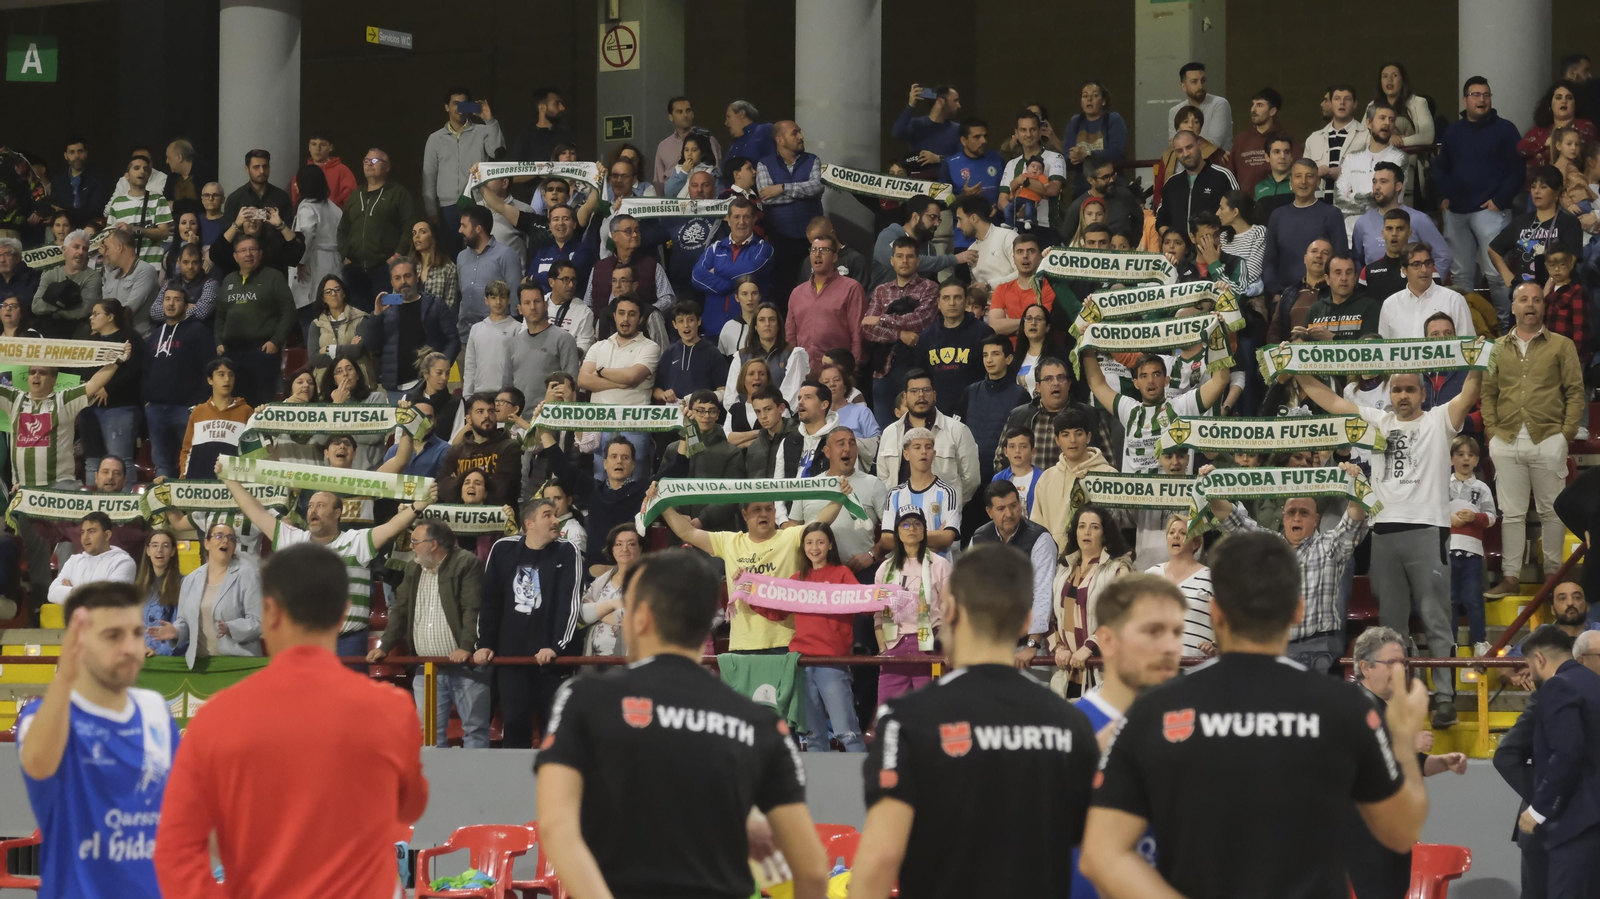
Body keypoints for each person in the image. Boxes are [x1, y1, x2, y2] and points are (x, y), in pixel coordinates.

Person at [1081, 530, 1429, 897]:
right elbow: (1401, 832)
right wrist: (1404, 742)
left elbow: (1101, 854)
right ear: (1298, 609)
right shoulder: (1346, 708)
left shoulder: (1155, 711)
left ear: (1215, 612)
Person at [536, 547, 828, 899]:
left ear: (641, 617)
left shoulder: (585, 698)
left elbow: (555, 826)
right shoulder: (760, 723)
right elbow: (811, 873)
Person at [154, 543, 427, 896]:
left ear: (269, 611)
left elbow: (174, 850)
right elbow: (411, 806)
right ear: (344, 613)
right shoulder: (392, 710)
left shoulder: (216, 718)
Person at [851, 543, 1097, 899]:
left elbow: (880, 858)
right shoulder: (1071, 724)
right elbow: (1092, 851)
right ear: (1027, 620)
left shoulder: (907, 719)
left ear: (948, 611)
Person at [1296, 366, 1481, 725]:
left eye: (1410, 389)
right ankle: (1398, 698)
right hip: (1382, 533)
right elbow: (1332, 401)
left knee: (1436, 618)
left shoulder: (1440, 420)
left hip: (1428, 529)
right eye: (1397, 390)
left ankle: (1444, 698)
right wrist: (1295, 371)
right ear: (1389, 393)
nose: (1403, 396)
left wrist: (1477, 361)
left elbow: (1470, 392)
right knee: (1392, 626)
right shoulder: (1377, 420)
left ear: (1423, 393)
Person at [18, 582, 180, 899]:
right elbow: (38, 763)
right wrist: (65, 677)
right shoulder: (44, 717)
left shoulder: (155, 710)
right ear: (77, 642)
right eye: (113, 636)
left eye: (136, 633)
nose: (131, 648)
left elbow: (189, 814)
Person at [225, 471, 434, 660]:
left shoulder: (357, 541)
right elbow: (256, 512)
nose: (313, 510)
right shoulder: (293, 541)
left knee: (346, 703)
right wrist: (228, 478)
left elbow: (392, 527)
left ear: (337, 513)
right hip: (305, 642)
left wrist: (419, 505)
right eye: (311, 506)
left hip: (347, 643)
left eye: (321, 505)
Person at [651, 479, 851, 654]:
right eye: (757, 509)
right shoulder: (729, 541)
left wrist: (840, 497)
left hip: (786, 642)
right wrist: (661, 504)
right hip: (743, 644)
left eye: (768, 508)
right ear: (745, 515)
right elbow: (687, 533)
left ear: (774, 511)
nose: (763, 514)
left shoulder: (791, 537)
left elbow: (821, 522)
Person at [1344, 626, 1470, 899]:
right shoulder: (1349, 705)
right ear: (1365, 667)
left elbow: (1416, 763)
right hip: (1363, 836)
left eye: (1403, 662)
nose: (1400, 670)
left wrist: (1442, 762)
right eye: (1391, 663)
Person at [1481, 281, 1586, 598]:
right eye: (1523, 299)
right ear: (1512, 306)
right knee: (1511, 513)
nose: (1530, 304)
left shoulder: (1562, 345)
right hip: (1506, 438)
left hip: (1548, 438)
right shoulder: (1497, 347)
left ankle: (1554, 575)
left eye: (1536, 299)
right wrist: (1491, 432)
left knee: (1552, 511)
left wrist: (1565, 435)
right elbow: (1488, 392)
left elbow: (1575, 392)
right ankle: (1511, 577)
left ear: (1544, 306)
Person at [472, 497, 582, 748]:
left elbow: (570, 603)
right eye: (548, 515)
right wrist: (485, 643)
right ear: (529, 523)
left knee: (554, 732)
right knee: (514, 726)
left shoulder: (568, 550)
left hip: (553, 662)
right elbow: (489, 601)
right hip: (511, 661)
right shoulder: (502, 549)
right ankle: (514, 785)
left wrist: (556, 646)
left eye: (556, 515)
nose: (556, 520)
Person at [369, 518, 489, 748]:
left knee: (475, 730)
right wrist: (384, 646)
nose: (411, 546)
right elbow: (401, 609)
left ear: (433, 544)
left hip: (466, 667)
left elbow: (472, 609)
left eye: (415, 541)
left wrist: (465, 647)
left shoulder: (467, 563)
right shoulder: (413, 567)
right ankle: (434, 785)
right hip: (426, 668)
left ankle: (476, 783)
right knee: (428, 736)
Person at [1435, 77, 1523, 328]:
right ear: (1465, 100)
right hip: (1457, 213)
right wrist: (1443, 197)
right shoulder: (1453, 131)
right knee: (1461, 276)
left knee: (1496, 274)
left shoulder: (1505, 129)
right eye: (1475, 94)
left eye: (1486, 94)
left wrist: (1501, 199)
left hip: (1491, 211)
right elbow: (1441, 168)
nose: (1481, 99)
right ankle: (1465, 329)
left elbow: (1517, 169)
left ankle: (1505, 329)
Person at [1518, 624, 1600, 895]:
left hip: (1575, 826)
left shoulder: (1558, 686)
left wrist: (1538, 809)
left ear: (1539, 659)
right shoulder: (1594, 683)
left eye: (1529, 665)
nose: (1530, 673)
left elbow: (1567, 752)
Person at [784, 521, 866, 752]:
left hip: (832, 663)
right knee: (812, 736)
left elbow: (865, 603)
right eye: (809, 542)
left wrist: (885, 596)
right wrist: (747, 586)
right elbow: (774, 609)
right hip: (801, 663)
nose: (814, 547)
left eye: (820, 542)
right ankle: (821, 788)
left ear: (830, 545)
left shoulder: (842, 573)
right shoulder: (796, 579)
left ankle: (864, 787)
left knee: (847, 732)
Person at [146, 520, 263, 668]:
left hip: (238, 663)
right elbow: (184, 621)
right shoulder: (191, 579)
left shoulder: (247, 575)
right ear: (207, 543)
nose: (226, 540)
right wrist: (175, 631)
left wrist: (231, 628)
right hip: (201, 664)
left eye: (231, 538)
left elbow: (259, 621)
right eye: (219, 536)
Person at [969, 479, 1056, 665]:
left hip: (1030, 644)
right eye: (1001, 509)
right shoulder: (978, 538)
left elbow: (1043, 595)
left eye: (1013, 506)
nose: (1009, 514)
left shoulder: (1040, 539)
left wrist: (1032, 646)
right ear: (989, 512)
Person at [875, 371, 981, 507]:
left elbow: (971, 480)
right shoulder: (890, 432)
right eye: (914, 391)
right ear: (905, 397)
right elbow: (883, 477)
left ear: (934, 395)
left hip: (942, 519)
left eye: (926, 390)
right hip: (900, 515)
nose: (921, 395)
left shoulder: (957, 430)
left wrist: (951, 505)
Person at [212, 234, 295, 405]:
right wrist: (219, 341)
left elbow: (288, 311)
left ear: (260, 253)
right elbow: (220, 315)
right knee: (233, 403)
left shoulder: (273, 277)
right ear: (235, 256)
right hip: (232, 354)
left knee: (261, 404)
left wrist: (276, 341)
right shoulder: (229, 280)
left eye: (252, 249)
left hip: (262, 352)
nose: (248, 254)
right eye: (242, 250)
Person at [337, 148, 422, 307]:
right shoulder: (356, 195)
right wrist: (345, 256)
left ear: (387, 167)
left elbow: (409, 226)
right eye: (366, 161)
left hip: (385, 268)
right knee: (359, 313)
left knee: (390, 307)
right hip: (355, 269)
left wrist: (396, 256)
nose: (370, 164)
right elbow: (343, 229)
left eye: (375, 161)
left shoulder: (398, 193)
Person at [1261, 158, 1349, 297]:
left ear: (1318, 182)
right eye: (1298, 176)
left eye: (1309, 176)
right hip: (1284, 296)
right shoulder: (1277, 216)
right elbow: (1269, 260)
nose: (1303, 181)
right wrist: (1275, 293)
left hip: (1323, 297)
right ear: (1291, 181)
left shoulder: (1332, 214)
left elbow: (1340, 258)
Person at [756, 120, 824, 296]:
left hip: (811, 240)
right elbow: (767, 199)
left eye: (799, 132)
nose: (801, 136)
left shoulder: (812, 159)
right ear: (780, 140)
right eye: (795, 133)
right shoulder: (764, 164)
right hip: (781, 241)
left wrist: (782, 188)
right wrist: (802, 192)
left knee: (814, 287)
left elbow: (816, 188)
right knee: (783, 290)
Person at [1489, 164, 1583, 291]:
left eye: (1543, 187)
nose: (1536, 191)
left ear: (1558, 191)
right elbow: (1493, 249)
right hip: (1526, 293)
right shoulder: (1521, 222)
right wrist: (1508, 277)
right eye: (1533, 187)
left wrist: (1547, 289)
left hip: (1559, 294)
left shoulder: (1569, 222)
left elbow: (1571, 260)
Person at [692, 197, 773, 339]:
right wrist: (731, 285)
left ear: (754, 219)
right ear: (727, 219)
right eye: (736, 217)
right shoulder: (715, 248)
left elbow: (751, 269)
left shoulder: (763, 248)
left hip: (749, 332)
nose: (741, 222)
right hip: (714, 330)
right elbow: (696, 276)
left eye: (746, 217)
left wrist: (716, 271)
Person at [503, 277, 584, 407]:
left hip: (551, 420)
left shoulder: (563, 339)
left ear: (545, 305)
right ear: (520, 309)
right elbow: (507, 387)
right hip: (518, 420)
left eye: (537, 301)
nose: (532, 307)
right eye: (527, 303)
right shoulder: (513, 344)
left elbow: (571, 385)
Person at [918, 280, 994, 415]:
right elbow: (921, 375)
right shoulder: (927, 335)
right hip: (937, 411)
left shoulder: (983, 332)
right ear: (938, 303)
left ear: (966, 302)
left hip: (975, 409)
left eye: (957, 297)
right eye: (946, 298)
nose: (952, 303)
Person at [438, 392, 522, 505]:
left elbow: (501, 491)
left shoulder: (509, 447)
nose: (487, 415)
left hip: (497, 519)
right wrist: (487, 482)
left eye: (491, 411)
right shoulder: (456, 451)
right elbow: (442, 490)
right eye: (480, 411)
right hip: (460, 517)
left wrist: (457, 481)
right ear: (469, 419)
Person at [1377, 241, 1475, 338]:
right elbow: (1384, 349)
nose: (1424, 270)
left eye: (1428, 263)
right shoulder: (1390, 305)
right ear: (1404, 270)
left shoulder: (1454, 300)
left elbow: (1468, 344)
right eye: (1416, 264)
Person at [289, 164, 343, 334]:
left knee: (311, 323)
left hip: (315, 264)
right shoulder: (333, 207)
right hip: (334, 263)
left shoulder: (307, 207)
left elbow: (307, 234)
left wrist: (300, 260)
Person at [45, 512, 137, 609]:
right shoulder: (74, 561)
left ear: (107, 535)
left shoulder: (123, 563)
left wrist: (71, 592)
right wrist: (79, 593)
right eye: (82, 532)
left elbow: (109, 599)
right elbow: (52, 593)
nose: (85, 537)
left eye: (91, 531)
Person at [1156, 130, 1239, 236]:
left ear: (1199, 145)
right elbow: (1162, 219)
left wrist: (1219, 243)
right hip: (1181, 251)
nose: (1185, 154)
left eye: (1189, 147)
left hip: (1216, 249)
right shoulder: (1171, 184)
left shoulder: (1222, 176)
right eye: (1180, 151)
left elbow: (1238, 214)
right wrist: (1172, 239)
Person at [103, 154, 173, 269]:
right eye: (136, 168)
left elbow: (164, 233)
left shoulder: (158, 199)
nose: (142, 172)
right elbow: (109, 236)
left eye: (146, 169)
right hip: (123, 269)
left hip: (152, 267)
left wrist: (135, 230)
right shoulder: (117, 203)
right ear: (126, 176)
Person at [98, 229, 159, 337]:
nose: (105, 253)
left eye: (107, 248)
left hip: (138, 339)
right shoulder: (112, 275)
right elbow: (104, 306)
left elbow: (128, 310)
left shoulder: (145, 270)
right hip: (113, 339)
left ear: (119, 247)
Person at [893, 82, 962, 169]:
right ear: (941, 101)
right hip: (920, 179)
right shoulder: (918, 124)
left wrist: (939, 158)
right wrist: (910, 105)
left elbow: (962, 160)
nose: (959, 105)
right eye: (955, 101)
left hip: (944, 180)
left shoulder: (957, 129)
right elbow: (897, 133)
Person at [138, 531, 184, 657]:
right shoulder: (138, 587)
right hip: (141, 657)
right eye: (154, 545)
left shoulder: (184, 584)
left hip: (166, 659)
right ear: (148, 550)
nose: (159, 550)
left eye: (165, 546)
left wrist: (159, 652)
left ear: (173, 551)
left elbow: (184, 629)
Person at [288, 131, 356, 208]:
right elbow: (295, 202)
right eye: (314, 144)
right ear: (309, 147)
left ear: (331, 147)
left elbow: (351, 202)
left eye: (323, 145)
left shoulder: (342, 170)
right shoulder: (303, 173)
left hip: (335, 217)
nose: (318, 149)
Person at [411, 219, 460, 310]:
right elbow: (397, 297)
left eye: (422, 232)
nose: (416, 236)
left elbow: (450, 305)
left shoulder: (448, 268)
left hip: (437, 321)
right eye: (414, 233)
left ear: (433, 236)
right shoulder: (409, 266)